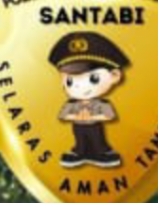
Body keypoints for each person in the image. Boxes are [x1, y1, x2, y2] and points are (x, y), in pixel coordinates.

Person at [50, 31, 129, 168]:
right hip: (78, 126)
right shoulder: (71, 104)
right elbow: (63, 116)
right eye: (70, 81)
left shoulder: (102, 104)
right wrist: (76, 116)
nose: (79, 86)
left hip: (94, 125)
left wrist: (92, 116)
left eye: (93, 78)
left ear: (115, 76)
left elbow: (109, 116)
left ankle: (100, 152)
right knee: (80, 139)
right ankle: (79, 152)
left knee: (97, 139)